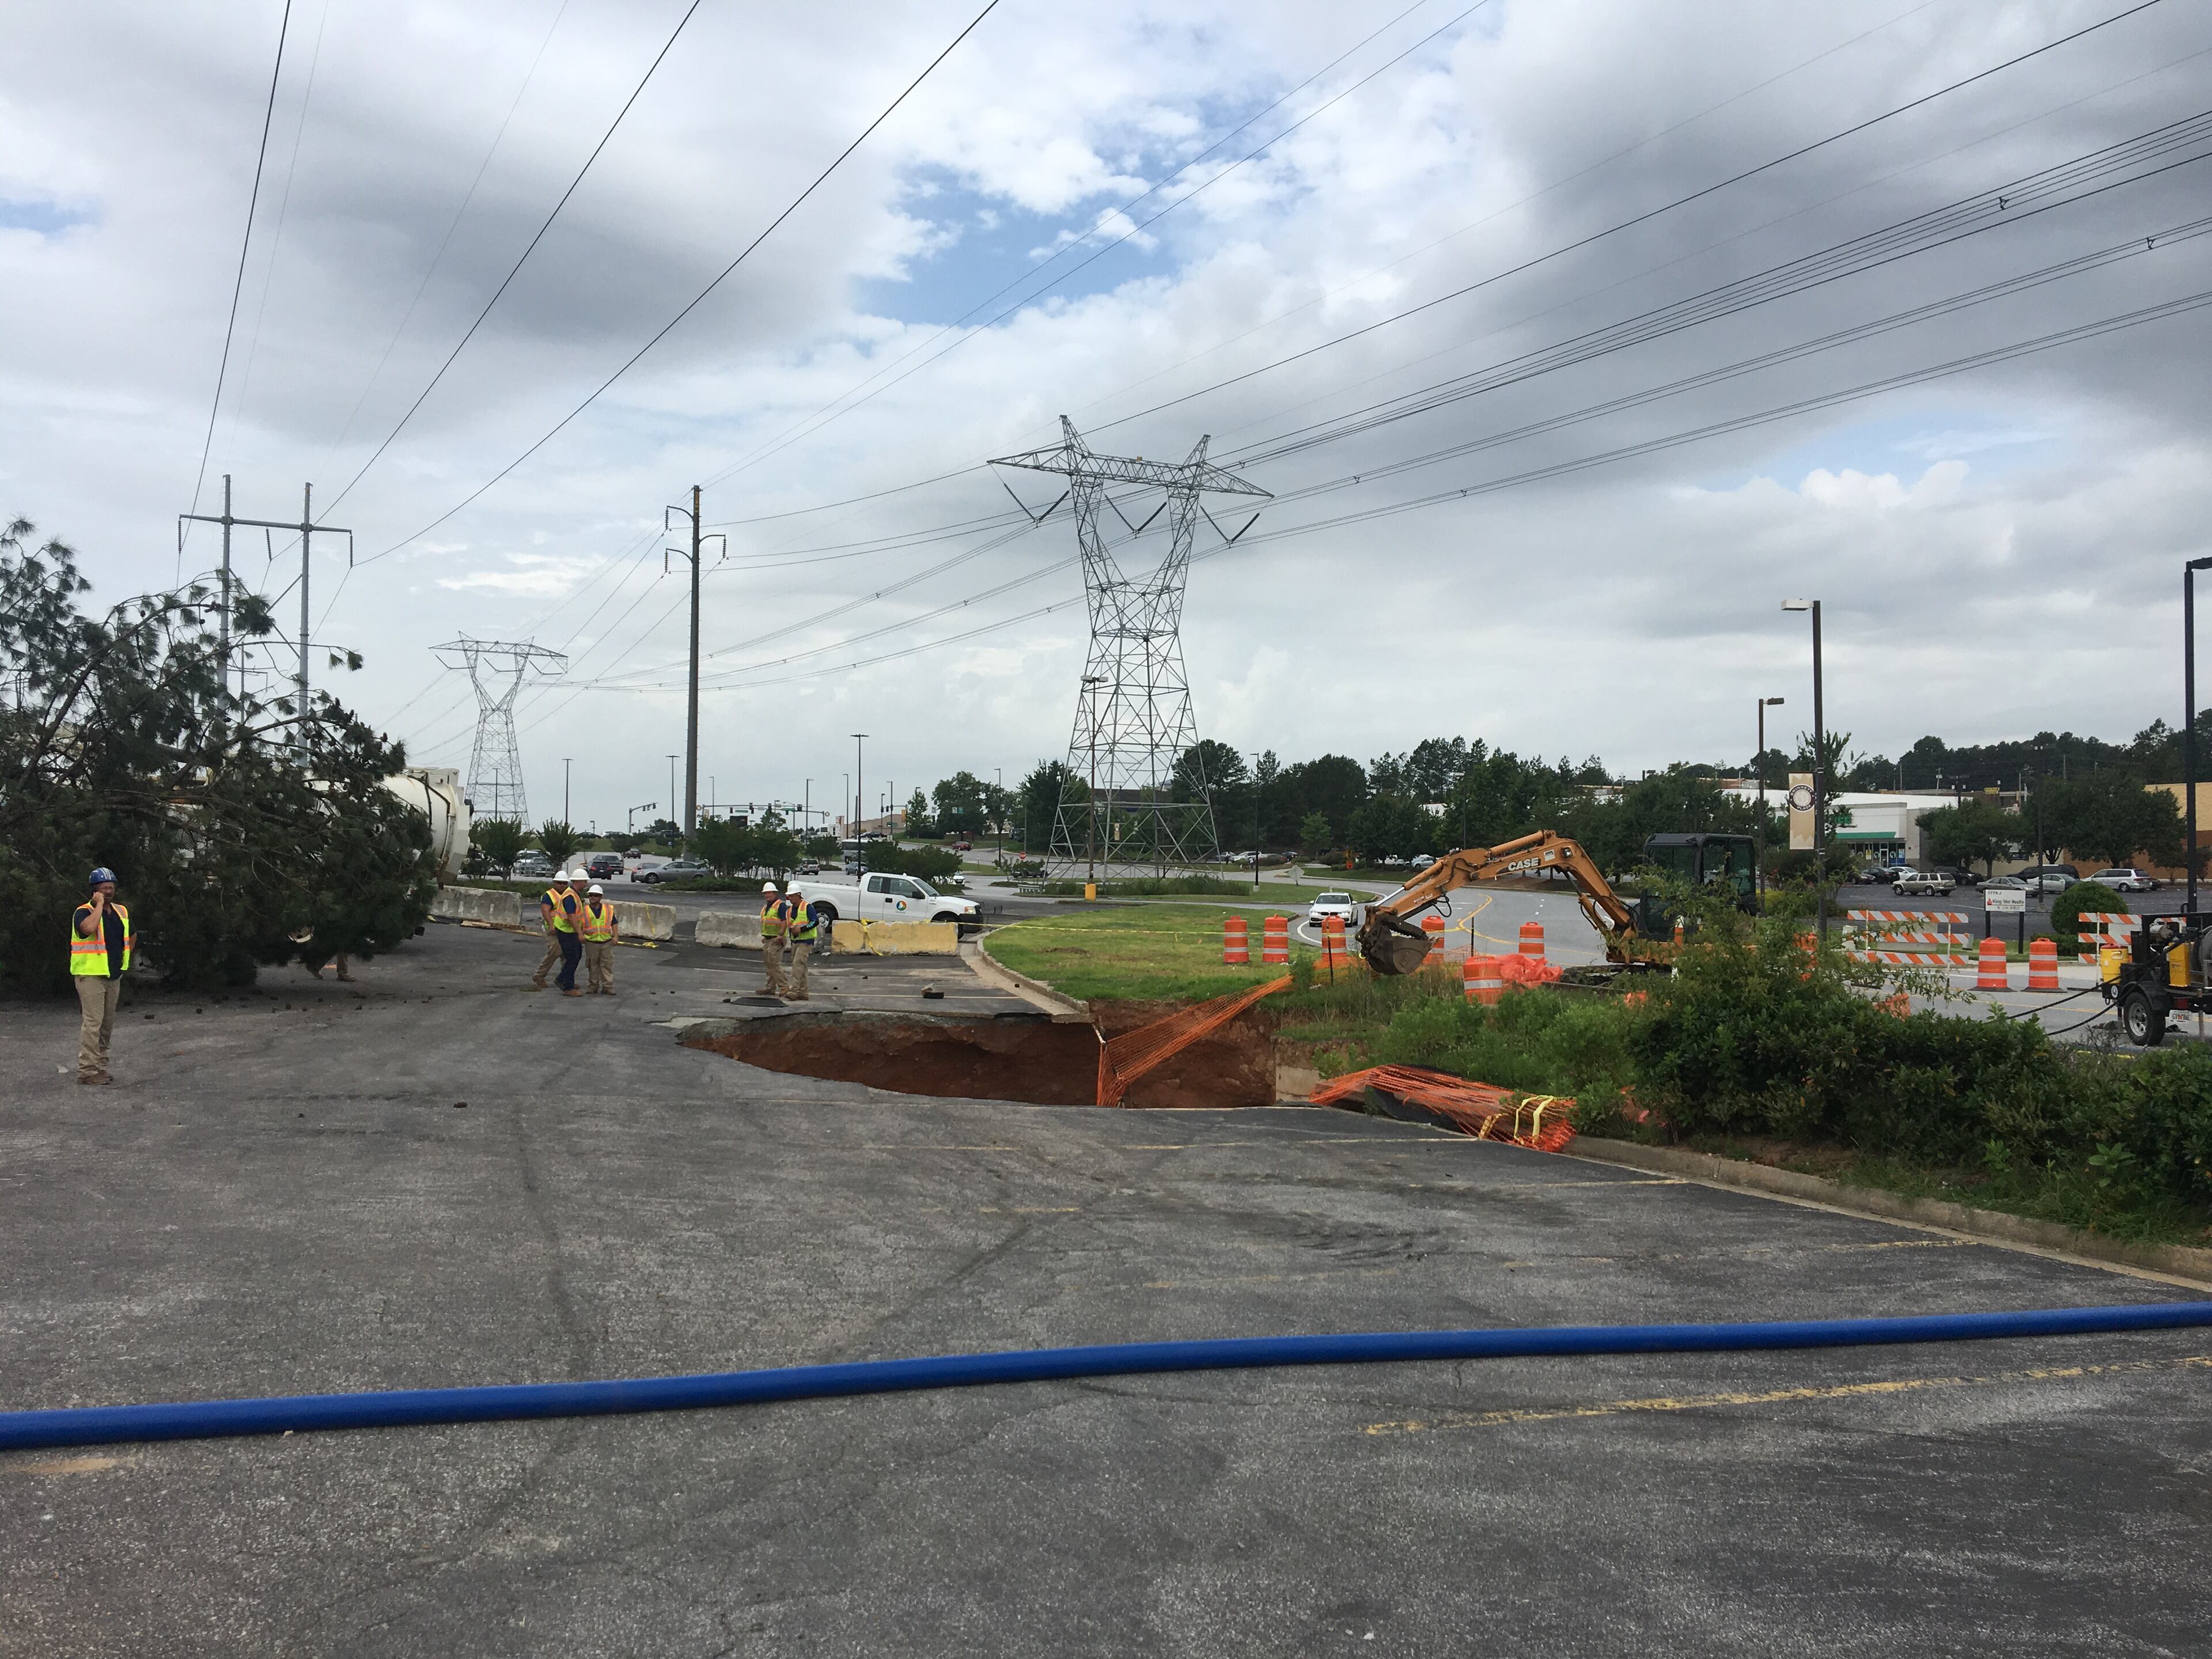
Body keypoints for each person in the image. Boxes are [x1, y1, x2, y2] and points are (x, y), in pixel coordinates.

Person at [70, 867, 132, 1085]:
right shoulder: (84, 912)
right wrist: (97, 905)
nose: (109, 891)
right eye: (104, 888)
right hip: (91, 975)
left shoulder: (121, 912)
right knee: (93, 1024)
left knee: (107, 1024)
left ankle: (101, 1066)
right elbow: (87, 929)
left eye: (111, 887)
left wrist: (124, 958)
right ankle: (87, 1071)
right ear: (95, 891)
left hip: (113, 975)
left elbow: (131, 935)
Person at [532, 869, 584, 996]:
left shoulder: (567, 894)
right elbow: (545, 910)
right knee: (555, 952)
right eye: (559, 883)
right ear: (555, 882)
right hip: (554, 930)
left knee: (568, 956)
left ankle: (565, 980)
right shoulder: (550, 895)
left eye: (564, 883)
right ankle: (540, 975)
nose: (562, 885)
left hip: (563, 929)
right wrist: (551, 926)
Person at [578, 882, 619, 995]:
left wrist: (616, 936)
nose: (593, 898)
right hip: (591, 942)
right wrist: (581, 935)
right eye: (591, 895)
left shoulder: (608, 909)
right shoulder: (584, 910)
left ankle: (607, 987)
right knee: (593, 965)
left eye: (595, 896)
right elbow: (580, 925)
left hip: (606, 942)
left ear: (600, 897)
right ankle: (593, 986)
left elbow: (614, 923)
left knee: (606, 965)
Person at [781, 884, 817, 1001]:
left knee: (797, 964)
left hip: (806, 941)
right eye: (789, 896)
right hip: (795, 941)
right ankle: (804, 992)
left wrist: (802, 929)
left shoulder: (808, 907)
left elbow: (815, 921)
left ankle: (794, 991)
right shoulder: (790, 910)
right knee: (802, 966)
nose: (790, 898)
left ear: (798, 895)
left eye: (792, 896)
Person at [759, 881, 788, 997]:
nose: (767, 895)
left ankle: (784, 986)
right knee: (768, 963)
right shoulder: (767, 907)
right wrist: (765, 936)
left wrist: (780, 935)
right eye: (766, 893)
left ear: (775, 893)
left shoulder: (780, 905)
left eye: (769, 893)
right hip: (768, 939)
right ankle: (770, 987)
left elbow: (784, 921)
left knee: (774, 962)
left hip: (777, 939)